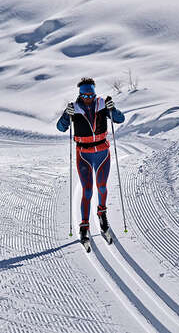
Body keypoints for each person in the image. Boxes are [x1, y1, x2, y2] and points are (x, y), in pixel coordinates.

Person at [57, 77, 125, 244]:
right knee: (87, 191)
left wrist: (113, 109)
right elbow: (60, 127)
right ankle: (84, 226)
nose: (88, 98)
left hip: (102, 153)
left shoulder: (103, 104)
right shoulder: (74, 108)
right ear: (80, 95)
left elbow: (120, 119)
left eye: (91, 95)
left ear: (94, 93)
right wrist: (67, 115)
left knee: (102, 187)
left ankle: (102, 214)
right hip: (84, 155)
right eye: (85, 95)